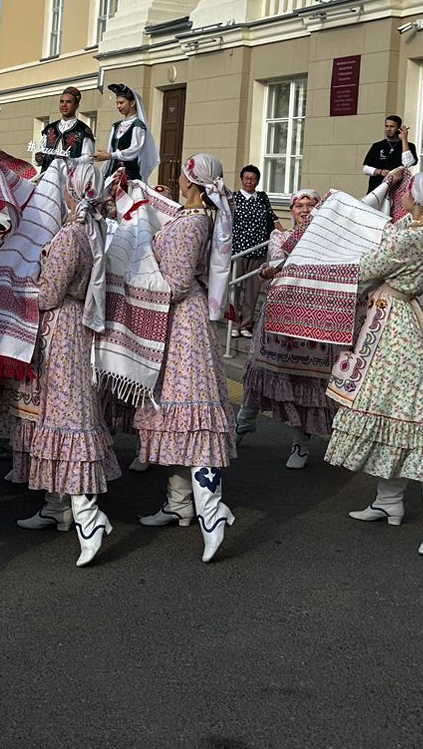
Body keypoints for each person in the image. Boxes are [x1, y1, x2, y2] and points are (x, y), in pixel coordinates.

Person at [327, 172, 423, 557]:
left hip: (397, 329)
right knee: (386, 412)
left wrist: (316, 266)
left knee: (415, 416)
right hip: (385, 324)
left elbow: (364, 269)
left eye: (409, 189)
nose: (403, 192)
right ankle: (389, 500)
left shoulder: (411, 237)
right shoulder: (412, 228)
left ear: (418, 200)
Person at [13, 161, 122, 566]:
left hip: (62, 330)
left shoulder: (70, 236)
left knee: (67, 415)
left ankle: (88, 519)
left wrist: (22, 288)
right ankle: (56, 507)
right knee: (63, 413)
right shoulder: (94, 231)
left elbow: (49, 293)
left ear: (73, 193)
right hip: (82, 328)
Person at [134, 153, 238, 563]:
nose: (176, 178)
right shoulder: (196, 217)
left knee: (190, 418)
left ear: (191, 181)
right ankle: (179, 504)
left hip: (181, 322)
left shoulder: (193, 222)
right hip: (183, 321)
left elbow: (175, 281)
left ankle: (211, 515)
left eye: (181, 174)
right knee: (175, 418)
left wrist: (136, 288)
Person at [236, 189, 335, 467]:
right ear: (291, 210)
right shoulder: (280, 237)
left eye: (310, 205)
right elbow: (275, 271)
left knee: (303, 381)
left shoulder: (327, 242)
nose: (304, 210)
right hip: (277, 317)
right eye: (299, 206)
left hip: (310, 321)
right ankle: (244, 423)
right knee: (259, 373)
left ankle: (300, 442)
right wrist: (271, 271)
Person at [228, 165, 280, 339]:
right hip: (239, 250)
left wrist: (285, 235)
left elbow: (273, 219)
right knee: (235, 288)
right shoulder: (233, 198)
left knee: (252, 290)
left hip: (258, 249)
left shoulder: (262, 198)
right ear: (241, 179)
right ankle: (234, 324)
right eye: (246, 178)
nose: (249, 181)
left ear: (257, 180)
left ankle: (246, 324)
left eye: (253, 178)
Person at [93, 83, 159, 184]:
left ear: (132, 103)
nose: (118, 106)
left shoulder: (138, 126)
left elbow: (134, 150)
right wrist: (103, 170)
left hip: (130, 175)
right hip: (113, 175)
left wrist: (110, 155)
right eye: (117, 103)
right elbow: (110, 152)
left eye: (121, 103)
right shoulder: (116, 126)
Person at [35, 87, 96, 169]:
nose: (64, 105)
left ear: (76, 105)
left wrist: (70, 161)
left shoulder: (83, 130)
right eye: (62, 101)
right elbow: (42, 152)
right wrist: (39, 159)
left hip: (71, 177)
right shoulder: (50, 128)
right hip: (48, 176)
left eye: (69, 102)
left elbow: (89, 159)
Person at [361, 116, 417, 193]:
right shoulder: (377, 146)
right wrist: (380, 171)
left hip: (397, 190)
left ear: (399, 128)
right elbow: (365, 169)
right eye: (386, 126)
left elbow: (408, 163)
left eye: (392, 126)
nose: (388, 129)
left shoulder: (409, 146)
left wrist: (404, 139)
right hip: (376, 189)